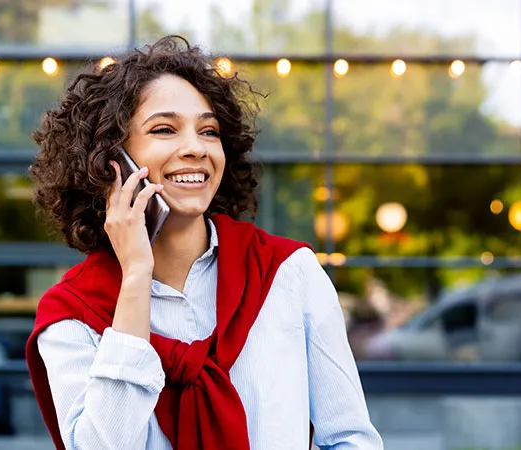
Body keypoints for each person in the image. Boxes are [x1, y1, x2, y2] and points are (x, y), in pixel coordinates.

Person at [25, 35, 383, 450]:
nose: (195, 148)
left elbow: (350, 439)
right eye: (164, 129)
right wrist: (136, 276)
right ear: (110, 160)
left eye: (208, 131)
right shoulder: (73, 313)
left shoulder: (289, 272)